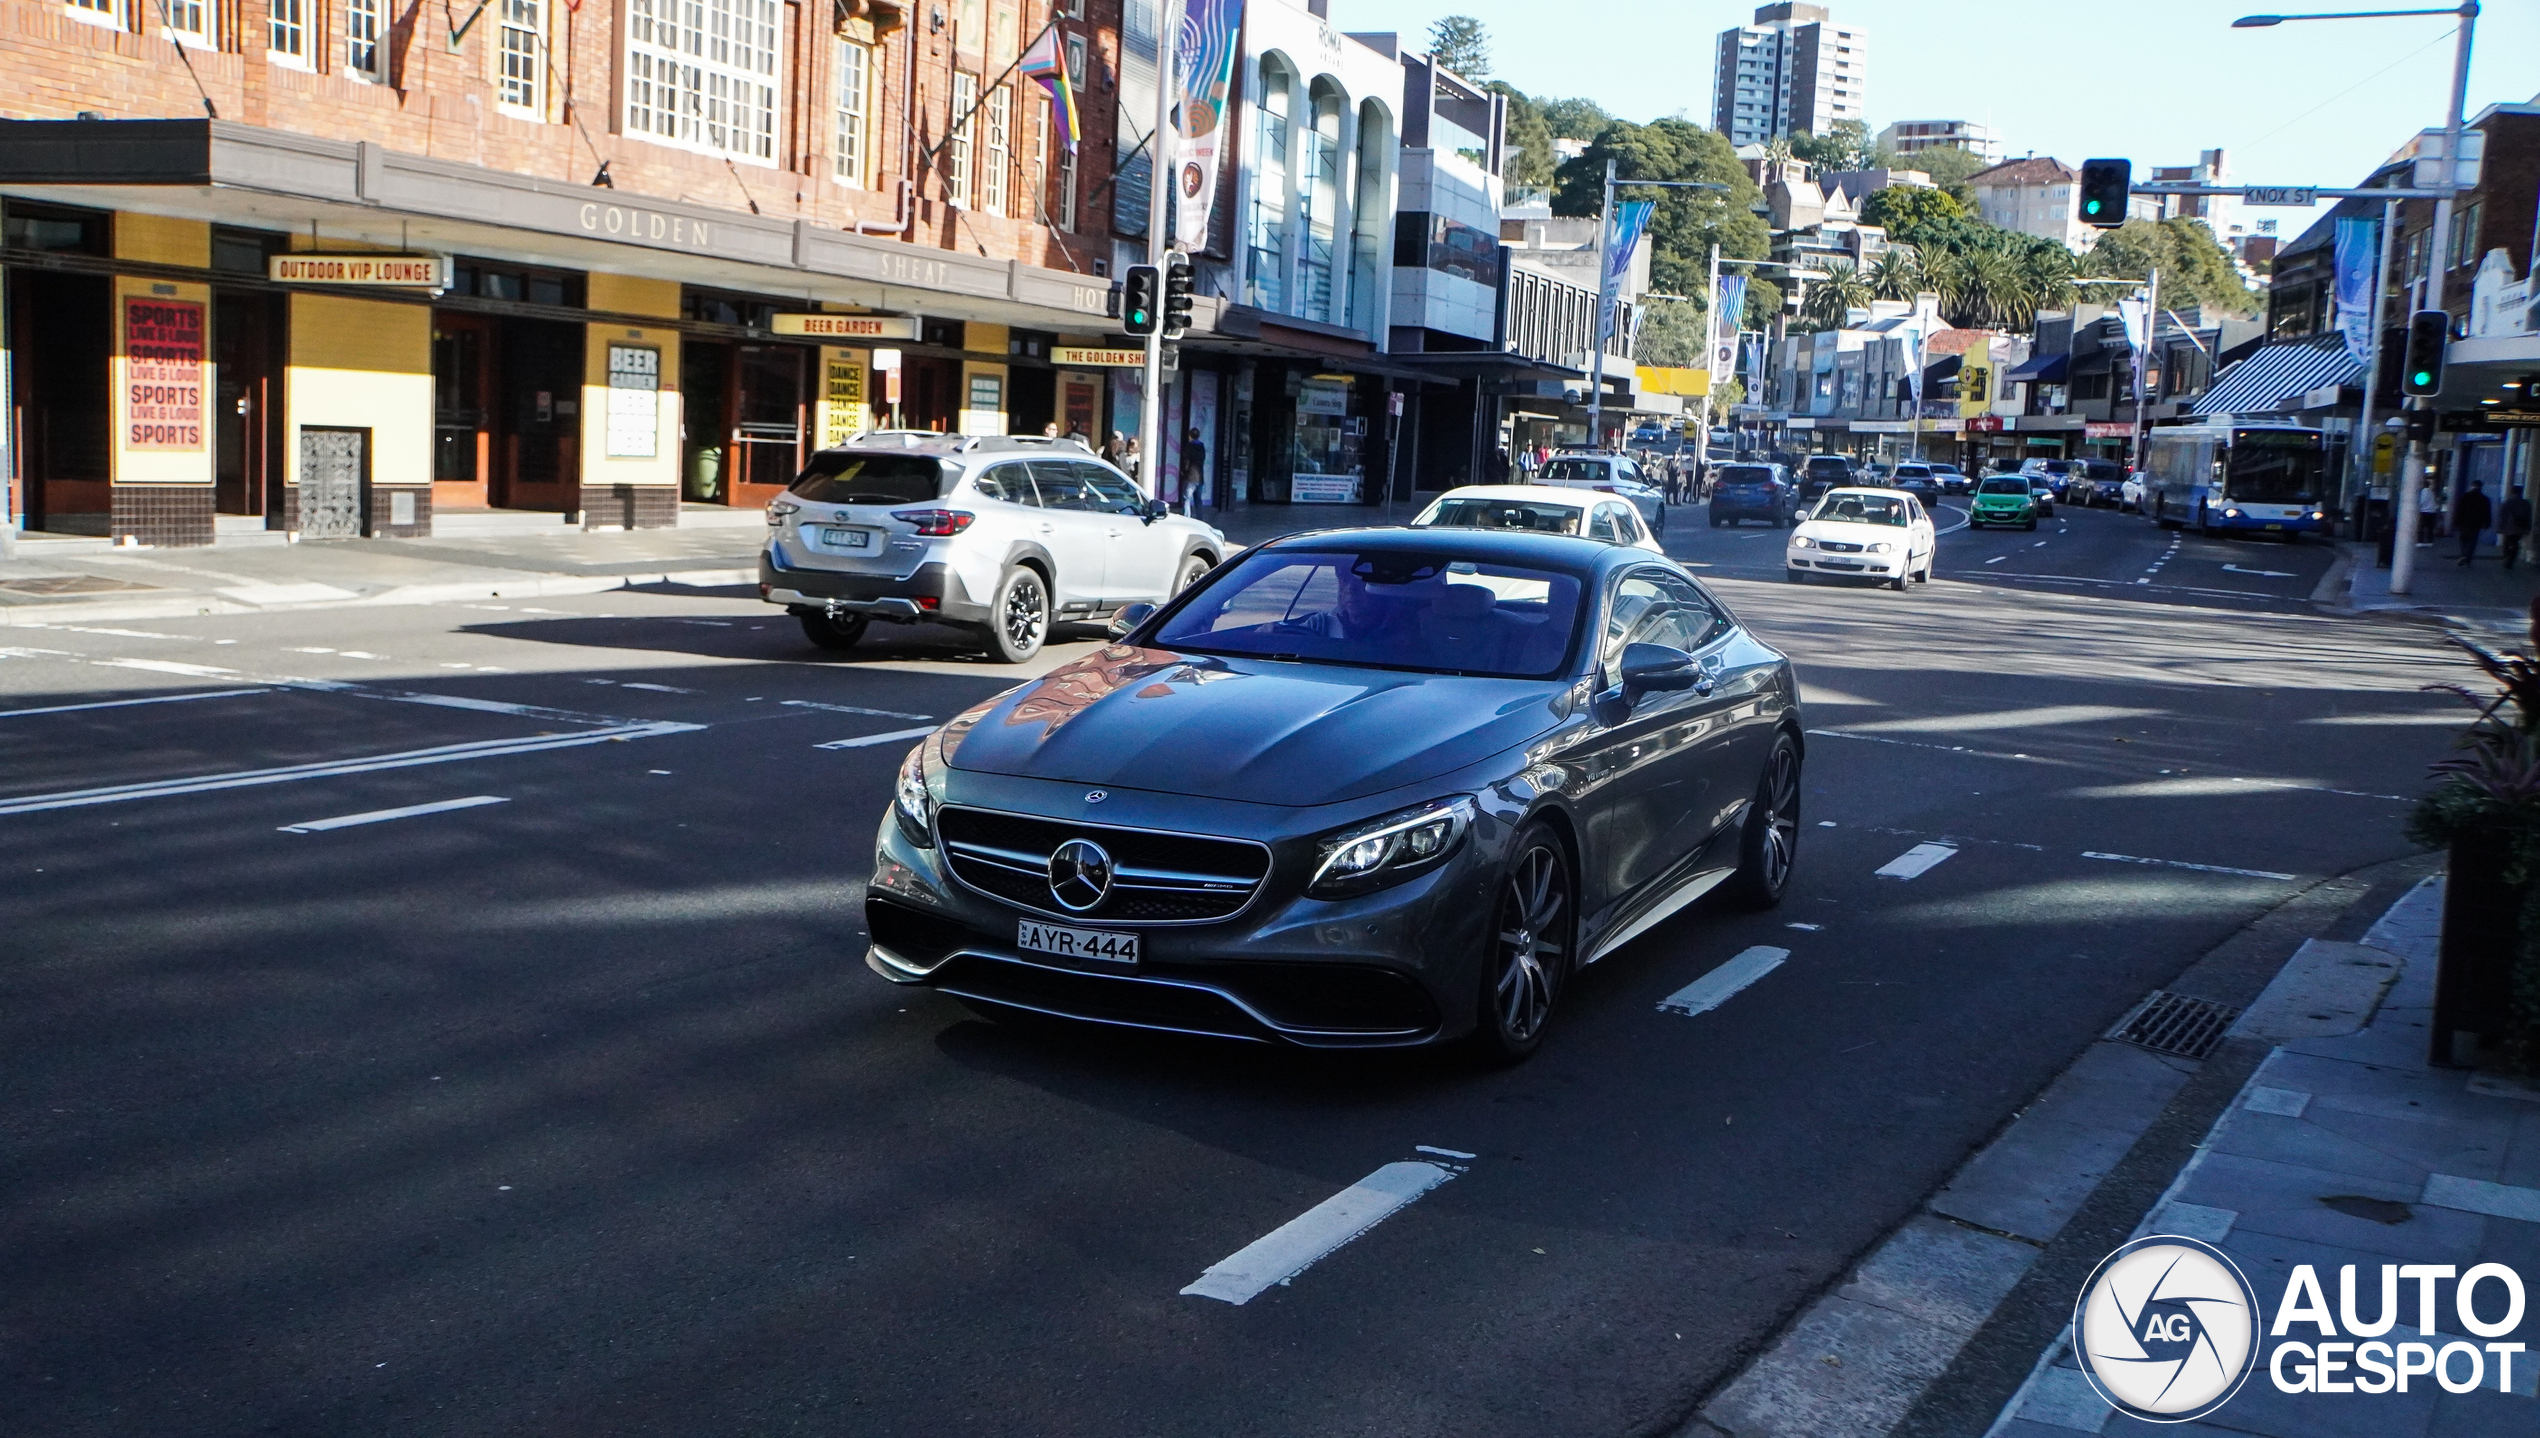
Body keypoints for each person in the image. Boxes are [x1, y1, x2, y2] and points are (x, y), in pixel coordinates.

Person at [2455, 478, 2493, 567]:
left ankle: (2463, 554)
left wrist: (2456, 522)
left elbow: (2459, 510)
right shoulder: (2484, 499)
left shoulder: (2465, 496)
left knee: (2463, 540)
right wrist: (2487, 523)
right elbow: (2487, 512)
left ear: (2471, 486)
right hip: (2476, 524)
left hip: (2464, 522)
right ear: (2481, 487)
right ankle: (2468, 557)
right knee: (2472, 541)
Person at [2501, 486, 2533, 570]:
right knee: (2515, 542)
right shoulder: (2526, 503)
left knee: (2507, 542)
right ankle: (2511, 559)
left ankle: (2508, 556)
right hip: (2521, 527)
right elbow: (2529, 517)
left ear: (2511, 492)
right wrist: (2528, 528)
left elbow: (2502, 515)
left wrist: (2500, 526)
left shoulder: (2507, 502)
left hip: (2509, 527)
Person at [1180, 427, 1209, 510]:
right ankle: (1200, 518)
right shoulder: (1202, 446)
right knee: (1198, 500)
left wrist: (1183, 471)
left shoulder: (1189, 446)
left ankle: (1186, 519)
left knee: (1186, 499)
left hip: (1190, 477)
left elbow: (1186, 461)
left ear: (1190, 436)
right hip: (1200, 477)